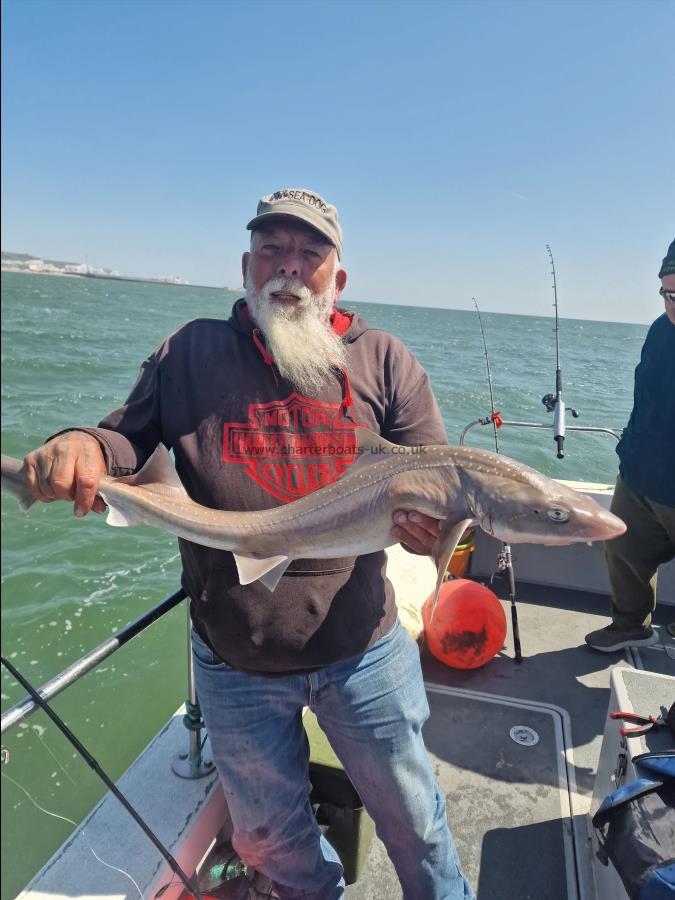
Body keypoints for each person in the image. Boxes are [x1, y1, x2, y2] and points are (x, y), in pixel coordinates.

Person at [22, 188, 474, 899]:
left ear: (338, 277)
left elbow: (436, 483)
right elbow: (125, 438)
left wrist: (430, 530)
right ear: (245, 265)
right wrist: (80, 442)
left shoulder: (384, 361)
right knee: (272, 841)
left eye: (309, 254)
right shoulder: (191, 350)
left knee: (415, 821)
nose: (288, 269)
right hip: (235, 659)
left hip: (361, 650)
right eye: (272, 250)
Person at [585, 238, 675, 652]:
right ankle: (629, 624)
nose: (673, 304)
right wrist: (629, 456)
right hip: (640, 472)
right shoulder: (659, 331)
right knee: (621, 550)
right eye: (667, 294)